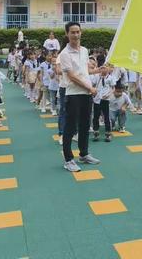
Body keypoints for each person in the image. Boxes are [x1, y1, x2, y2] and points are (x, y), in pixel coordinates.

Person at [58, 22, 100, 173]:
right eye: (72, 32)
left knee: (84, 125)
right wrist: (90, 87)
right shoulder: (64, 54)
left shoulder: (84, 50)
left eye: (78, 32)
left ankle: (84, 154)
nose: (76, 35)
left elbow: (84, 71)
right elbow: (72, 76)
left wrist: (99, 70)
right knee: (70, 128)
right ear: (67, 34)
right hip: (73, 94)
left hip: (86, 95)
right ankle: (68, 160)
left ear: (81, 33)